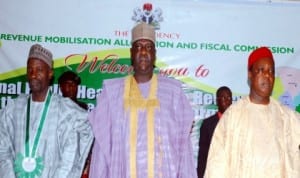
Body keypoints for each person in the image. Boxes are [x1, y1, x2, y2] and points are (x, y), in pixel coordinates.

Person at [88, 22, 197, 178]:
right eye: (138, 47)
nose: (144, 52)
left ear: (155, 54)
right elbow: (102, 152)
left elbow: (184, 151)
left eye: (148, 47)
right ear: (131, 53)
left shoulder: (173, 92)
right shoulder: (112, 93)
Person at [0, 44, 94, 178]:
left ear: (50, 73)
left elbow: (71, 155)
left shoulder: (65, 111)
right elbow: (3, 148)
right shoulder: (14, 108)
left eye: (39, 69)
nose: (33, 75)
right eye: (30, 69)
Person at [204, 47, 300, 178]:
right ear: (250, 75)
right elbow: (216, 167)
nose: (267, 75)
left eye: (271, 71)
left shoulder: (287, 117)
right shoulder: (233, 116)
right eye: (261, 70)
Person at [58, 70, 91, 178]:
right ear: (61, 87)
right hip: (60, 157)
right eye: (68, 84)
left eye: (74, 85)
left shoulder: (83, 107)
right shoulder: (56, 106)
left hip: (78, 156)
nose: (72, 87)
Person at [197, 86, 232, 177]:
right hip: (215, 172)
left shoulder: (238, 122)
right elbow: (203, 155)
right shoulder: (207, 124)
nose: (227, 101)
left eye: (229, 98)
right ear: (217, 101)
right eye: (223, 98)